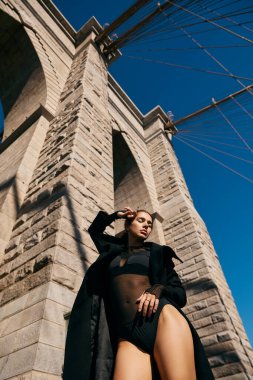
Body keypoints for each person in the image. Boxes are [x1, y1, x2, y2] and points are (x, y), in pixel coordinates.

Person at [63, 207, 214, 380]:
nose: (146, 226)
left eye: (149, 224)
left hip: (161, 320)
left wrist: (158, 289)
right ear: (128, 225)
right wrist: (115, 215)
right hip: (127, 334)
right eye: (140, 220)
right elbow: (95, 231)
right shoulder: (111, 251)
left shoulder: (157, 253)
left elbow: (180, 294)